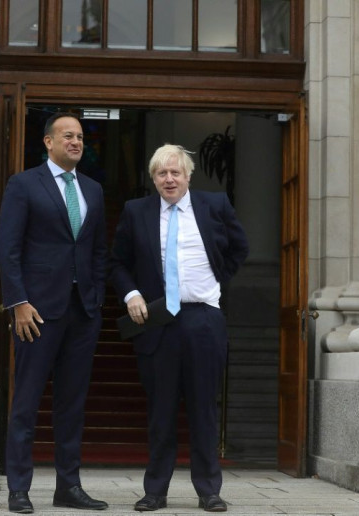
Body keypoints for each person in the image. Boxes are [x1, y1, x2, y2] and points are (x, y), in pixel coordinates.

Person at [109, 144, 248, 513]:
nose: (169, 179)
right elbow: (117, 262)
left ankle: (209, 491)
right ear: (153, 178)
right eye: (161, 173)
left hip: (203, 319)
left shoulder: (214, 205)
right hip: (157, 322)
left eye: (175, 172)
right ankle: (155, 491)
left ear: (188, 175)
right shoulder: (136, 211)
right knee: (161, 411)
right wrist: (132, 294)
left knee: (204, 409)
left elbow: (239, 248)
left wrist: (215, 284)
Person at [0, 112, 109, 514]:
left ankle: (69, 487)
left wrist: (95, 300)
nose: (76, 141)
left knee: (72, 404)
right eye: (67, 136)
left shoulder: (93, 190)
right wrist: (18, 302)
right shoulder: (24, 184)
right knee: (26, 401)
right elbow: (7, 249)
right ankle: (19, 489)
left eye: (79, 136)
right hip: (37, 312)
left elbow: (97, 251)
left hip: (82, 313)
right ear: (48, 142)